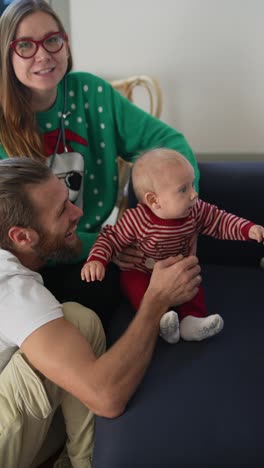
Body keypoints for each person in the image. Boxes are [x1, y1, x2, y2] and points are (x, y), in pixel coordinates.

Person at [0, 0, 200, 329]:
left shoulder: (92, 93)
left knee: (105, 291)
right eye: (25, 45)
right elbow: (17, 237)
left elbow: (170, 145)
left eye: (53, 39)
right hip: (24, 264)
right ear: (6, 55)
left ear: (65, 43)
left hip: (88, 253)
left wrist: (176, 210)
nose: (43, 54)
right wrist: (110, 244)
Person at [0, 157, 201, 468]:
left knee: (78, 322)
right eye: (62, 210)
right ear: (22, 237)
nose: (78, 212)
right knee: (78, 326)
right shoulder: (13, 289)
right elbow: (106, 398)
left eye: (68, 200)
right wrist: (156, 300)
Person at [82, 148, 264, 344]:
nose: (194, 194)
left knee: (192, 283)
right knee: (138, 289)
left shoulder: (195, 210)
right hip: (142, 271)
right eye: (183, 189)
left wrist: (248, 229)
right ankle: (162, 322)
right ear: (154, 200)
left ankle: (191, 322)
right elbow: (110, 238)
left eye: (192, 184)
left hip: (177, 269)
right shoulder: (136, 219)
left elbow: (219, 221)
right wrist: (97, 259)